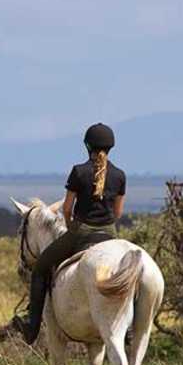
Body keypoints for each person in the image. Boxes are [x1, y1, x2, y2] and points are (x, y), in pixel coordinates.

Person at [20, 123, 127, 345]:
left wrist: (70, 226)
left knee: (40, 269)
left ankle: (31, 328)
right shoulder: (119, 175)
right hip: (110, 235)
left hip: (81, 232)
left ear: (87, 145)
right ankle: (131, 330)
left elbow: (67, 208)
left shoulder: (79, 171)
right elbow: (117, 213)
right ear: (111, 147)